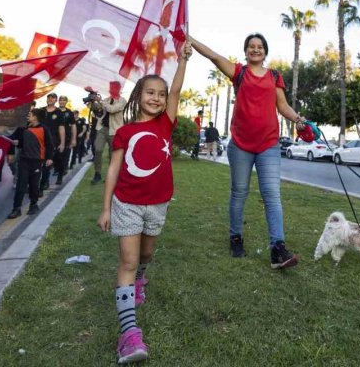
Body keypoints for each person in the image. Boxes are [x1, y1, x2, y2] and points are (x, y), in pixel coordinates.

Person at [97, 41, 191, 364]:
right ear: (138, 96)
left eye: (161, 94)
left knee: (145, 255)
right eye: (150, 92)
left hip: (158, 203)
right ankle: (129, 335)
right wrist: (107, 207)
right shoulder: (124, 131)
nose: (156, 98)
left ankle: (140, 280)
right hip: (127, 203)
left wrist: (183, 62)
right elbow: (113, 169)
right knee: (127, 261)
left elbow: (178, 91)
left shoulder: (166, 123)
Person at [192, 33, 303, 269]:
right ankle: (236, 238)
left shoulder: (274, 76)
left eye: (260, 46)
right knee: (239, 192)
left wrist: (297, 119)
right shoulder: (239, 72)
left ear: (265, 51)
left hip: (269, 145)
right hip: (241, 145)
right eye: (251, 47)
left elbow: (281, 105)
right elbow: (213, 56)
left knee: (272, 195)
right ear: (246, 51)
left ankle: (278, 250)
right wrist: (190, 40)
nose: (255, 50)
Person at [7, 109, 54, 219]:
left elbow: (49, 144)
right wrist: (17, 143)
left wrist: (49, 158)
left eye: (30, 115)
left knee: (34, 185)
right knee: (20, 185)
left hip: (37, 161)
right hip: (24, 160)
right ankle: (16, 208)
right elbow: (21, 143)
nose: (28, 116)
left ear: (36, 117)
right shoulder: (25, 127)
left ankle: (34, 205)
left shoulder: (44, 129)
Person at [87, 83, 127, 185]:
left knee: (112, 154)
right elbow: (98, 109)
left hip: (115, 130)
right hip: (102, 128)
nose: (111, 90)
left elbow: (112, 109)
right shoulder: (106, 100)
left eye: (113, 88)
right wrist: (93, 99)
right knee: (98, 149)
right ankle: (97, 173)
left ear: (118, 89)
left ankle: (112, 175)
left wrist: (100, 101)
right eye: (110, 88)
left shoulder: (122, 100)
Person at [35, 93, 65, 190]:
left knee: (47, 163)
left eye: (52, 98)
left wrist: (62, 143)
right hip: (39, 140)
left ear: (55, 100)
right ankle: (37, 183)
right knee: (38, 162)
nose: (50, 99)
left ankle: (44, 183)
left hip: (52, 142)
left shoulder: (59, 113)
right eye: (49, 98)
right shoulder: (41, 111)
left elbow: (61, 128)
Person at [57, 95, 77, 179]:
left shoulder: (69, 113)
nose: (62, 102)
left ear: (66, 102)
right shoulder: (55, 111)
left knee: (63, 157)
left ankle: (60, 176)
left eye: (64, 100)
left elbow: (73, 126)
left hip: (66, 137)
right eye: (60, 100)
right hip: (55, 137)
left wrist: (73, 139)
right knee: (55, 157)